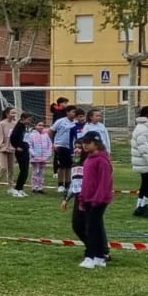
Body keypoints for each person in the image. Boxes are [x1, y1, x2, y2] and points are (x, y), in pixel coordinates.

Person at [76, 133, 114, 269]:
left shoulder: (102, 160)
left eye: (88, 142)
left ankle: (91, 256)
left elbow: (104, 182)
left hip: (98, 200)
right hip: (88, 199)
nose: (85, 145)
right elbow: (85, 182)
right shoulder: (88, 160)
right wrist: (82, 199)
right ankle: (99, 256)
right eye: (84, 142)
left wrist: (97, 200)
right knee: (94, 228)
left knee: (92, 228)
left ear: (96, 144)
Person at [52, 106, 81, 197]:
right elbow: (51, 131)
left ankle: (68, 184)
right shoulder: (60, 121)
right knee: (62, 166)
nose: (74, 114)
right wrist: (53, 143)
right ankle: (60, 185)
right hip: (61, 146)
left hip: (72, 147)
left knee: (69, 166)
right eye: (73, 111)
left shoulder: (76, 123)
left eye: (75, 112)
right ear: (67, 112)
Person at [0, 106, 17, 195]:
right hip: (3, 149)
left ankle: (10, 187)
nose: (14, 115)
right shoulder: (2, 123)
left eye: (14, 113)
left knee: (11, 169)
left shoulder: (14, 124)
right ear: (7, 114)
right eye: (12, 113)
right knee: (3, 167)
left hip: (11, 149)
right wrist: (2, 146)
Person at [27, 120, 52, 195]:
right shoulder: (32, 135)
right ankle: (34, 187)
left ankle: (40, 188)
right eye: (39, 125)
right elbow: (29, 145)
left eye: (42, 125)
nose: (41, 127)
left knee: (42, 172)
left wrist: (48, 153)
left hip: (44, 157)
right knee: (36, 172)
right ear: (35, 126)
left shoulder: (46, 135)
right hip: (35, 158)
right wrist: (33, 154)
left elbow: (50, 144)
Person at [10, 112, 32, 198]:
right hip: (20, 151)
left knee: (25, 171)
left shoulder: (23, 126)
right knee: (23, 171)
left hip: (24, 149)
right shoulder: (18, 127)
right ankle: (16, 190)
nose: (30, 121)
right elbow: (12, 138)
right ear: (23, 119)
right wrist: (16, 147)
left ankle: (20, 189)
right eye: (28, 120)